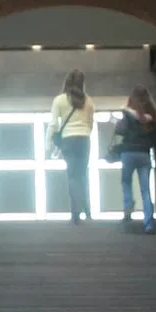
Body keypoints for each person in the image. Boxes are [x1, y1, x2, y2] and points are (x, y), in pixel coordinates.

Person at [48, 70, 95, 223]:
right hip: (84, 140)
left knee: (72, 176)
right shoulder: (89, 101)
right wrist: (84, 132)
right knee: (82, 175)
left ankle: (75, 212)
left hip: (68, 140)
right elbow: (90, 123)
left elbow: (53, 124)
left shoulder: (59, 100)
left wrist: (49, 143)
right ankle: (87, 210)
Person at [116, 86, 156, 234]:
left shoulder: (127, 114)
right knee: (145, 190)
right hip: (144, 155)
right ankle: (149, 224)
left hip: (128, 153)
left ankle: (128, 205)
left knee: (126, 181)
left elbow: (120, 131)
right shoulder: (153, 118)